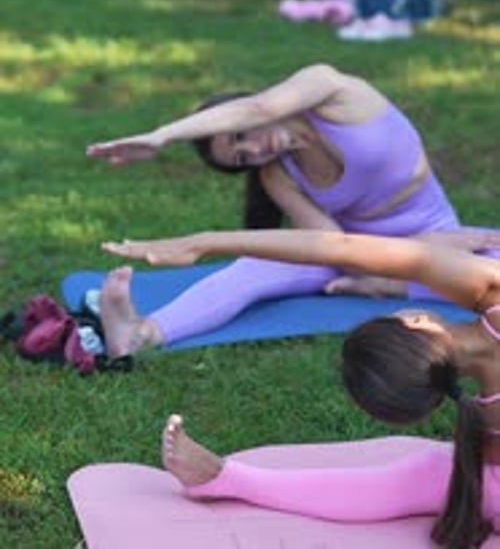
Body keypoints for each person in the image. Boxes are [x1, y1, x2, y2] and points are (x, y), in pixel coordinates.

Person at [124, 228, 500, 549]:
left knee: (440, 475)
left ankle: (229, 477)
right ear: (416, 321)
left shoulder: (486, 426)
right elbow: (344, 247)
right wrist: (205, 242)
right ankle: (228, 478)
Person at [87, 63, 477, 355]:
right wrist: (384, 265)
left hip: (434, 232)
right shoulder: (277, 174)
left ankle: (391, 284)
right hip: (355, 251)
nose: (254, 151)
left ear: (242, 113)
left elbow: (260, 106)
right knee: (254, 267)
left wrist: (162, 136)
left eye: (241, 136)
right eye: (242, 158)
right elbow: (336, 246)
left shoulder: (333, 90)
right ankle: (142, 333)